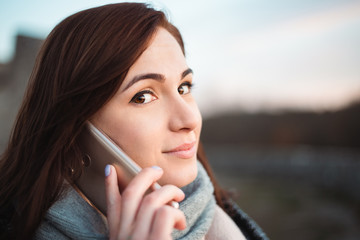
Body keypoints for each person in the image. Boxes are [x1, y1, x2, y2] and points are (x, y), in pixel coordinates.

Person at [0, 3, 268, 240]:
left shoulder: (226, 220)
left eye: (184, 87)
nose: (189, 120)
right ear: (76, 128)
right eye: (143, 96)